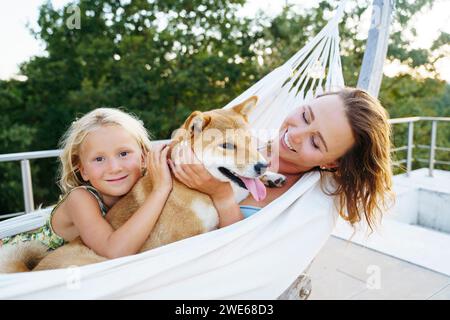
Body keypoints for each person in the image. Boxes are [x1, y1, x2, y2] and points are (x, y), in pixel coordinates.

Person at [169, 87, 393, 231]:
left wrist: (222, 196)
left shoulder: (309, 205)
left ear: (332, 163)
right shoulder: (245, 138)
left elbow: (242, 258)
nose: (295, 135)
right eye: (305, 116)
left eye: (315, 142)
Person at [1, 108, 172, 259]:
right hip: (11, 257)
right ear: (83, 170)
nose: (114, 168)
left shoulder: (140, 188)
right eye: (99, 159)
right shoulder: (80, 198)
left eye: (124, 153)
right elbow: (115, 251)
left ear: (143, 157)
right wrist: (161, 189)